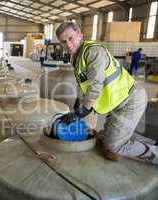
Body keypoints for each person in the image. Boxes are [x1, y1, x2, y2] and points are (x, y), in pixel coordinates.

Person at [54, 21, 158, 164]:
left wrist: (79, 112)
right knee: (104, 136)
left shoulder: (93, 52)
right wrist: (76, 108)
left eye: (71, 38)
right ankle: (128, 136)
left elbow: (94, 88)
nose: (68, 44)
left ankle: (155, 154)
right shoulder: (76, 58)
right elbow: (82, 85)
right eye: (63, 42)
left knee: (113, 146)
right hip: (116, 103)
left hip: (130, 100)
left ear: (80, 35)